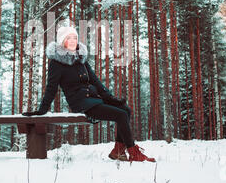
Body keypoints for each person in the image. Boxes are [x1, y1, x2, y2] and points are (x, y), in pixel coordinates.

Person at [22, 26, 155, 162]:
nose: (73, 41)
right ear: (62, 41)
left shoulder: (81, 59)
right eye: (69, 38)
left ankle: (119, 151)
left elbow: (95, 81)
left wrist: (110, 98)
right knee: (121, 115)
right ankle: (133, 153)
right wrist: (42, 109)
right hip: (80, 103)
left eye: (75, 37)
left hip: (93, 98)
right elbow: (51, 88)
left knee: (126, 110)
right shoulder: (56, 63)